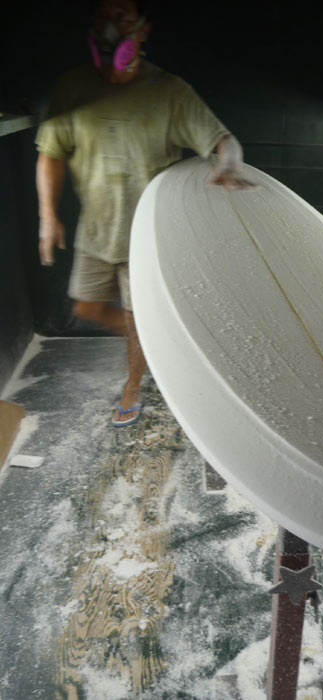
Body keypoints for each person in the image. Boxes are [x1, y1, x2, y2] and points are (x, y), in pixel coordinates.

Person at [36, 0, 253, 427]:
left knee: (137, 319)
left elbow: (222, 139)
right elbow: (50, 153)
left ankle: (133, 385)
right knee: (86, 308)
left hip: (147, 236)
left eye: (122, 17)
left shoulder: (169, 91)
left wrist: (229, 165)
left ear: (143, 30)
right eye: (103, 17)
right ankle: (161, 342)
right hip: (97, 231)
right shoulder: (72, 86)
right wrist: (48, 215)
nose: (111, 28)